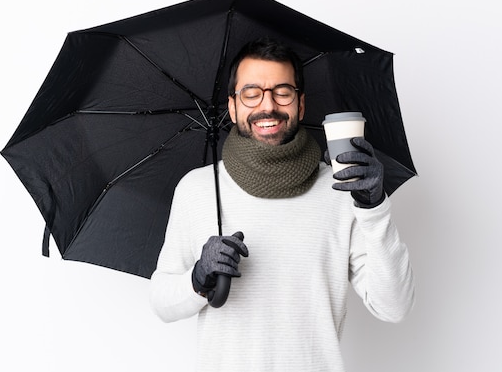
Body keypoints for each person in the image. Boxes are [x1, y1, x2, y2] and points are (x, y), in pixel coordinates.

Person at [150, 38, 414, 372]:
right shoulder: (198, 188)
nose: (268, 105)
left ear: (300, 105)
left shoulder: (341, 189)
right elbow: (161, 301)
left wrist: (374, 207)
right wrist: (198, 276)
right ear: (232, 106)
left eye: (282, 91)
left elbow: (395, 306)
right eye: (251, 93)